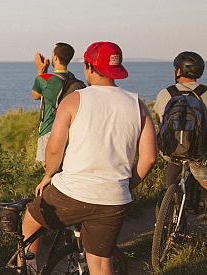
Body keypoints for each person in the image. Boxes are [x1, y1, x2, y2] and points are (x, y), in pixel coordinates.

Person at [20, 42, 157, 274]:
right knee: (101, 262)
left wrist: (48, 175)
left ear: (88, 67)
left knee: (31, 221)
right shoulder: (138, 106)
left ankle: (27, 269)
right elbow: (149, 158)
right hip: (113, 199)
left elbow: (54, 150)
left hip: (72, 193)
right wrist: (126, 186)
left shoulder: (74, 101)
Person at [152, 51, 207, 192]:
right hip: (197, 152)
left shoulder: (166, 93)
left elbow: (160, 122)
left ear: (179, 70)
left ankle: (168, 189)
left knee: (174, 158)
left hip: (171, 149)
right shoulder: (205, 93)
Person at [31, 43, 76, 167]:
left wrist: (40, 69)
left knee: (49, 170)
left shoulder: (45, 79)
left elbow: (35, 95)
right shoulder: (72, 78)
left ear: (55, 58)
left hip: (48, 130)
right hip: (67, 130)